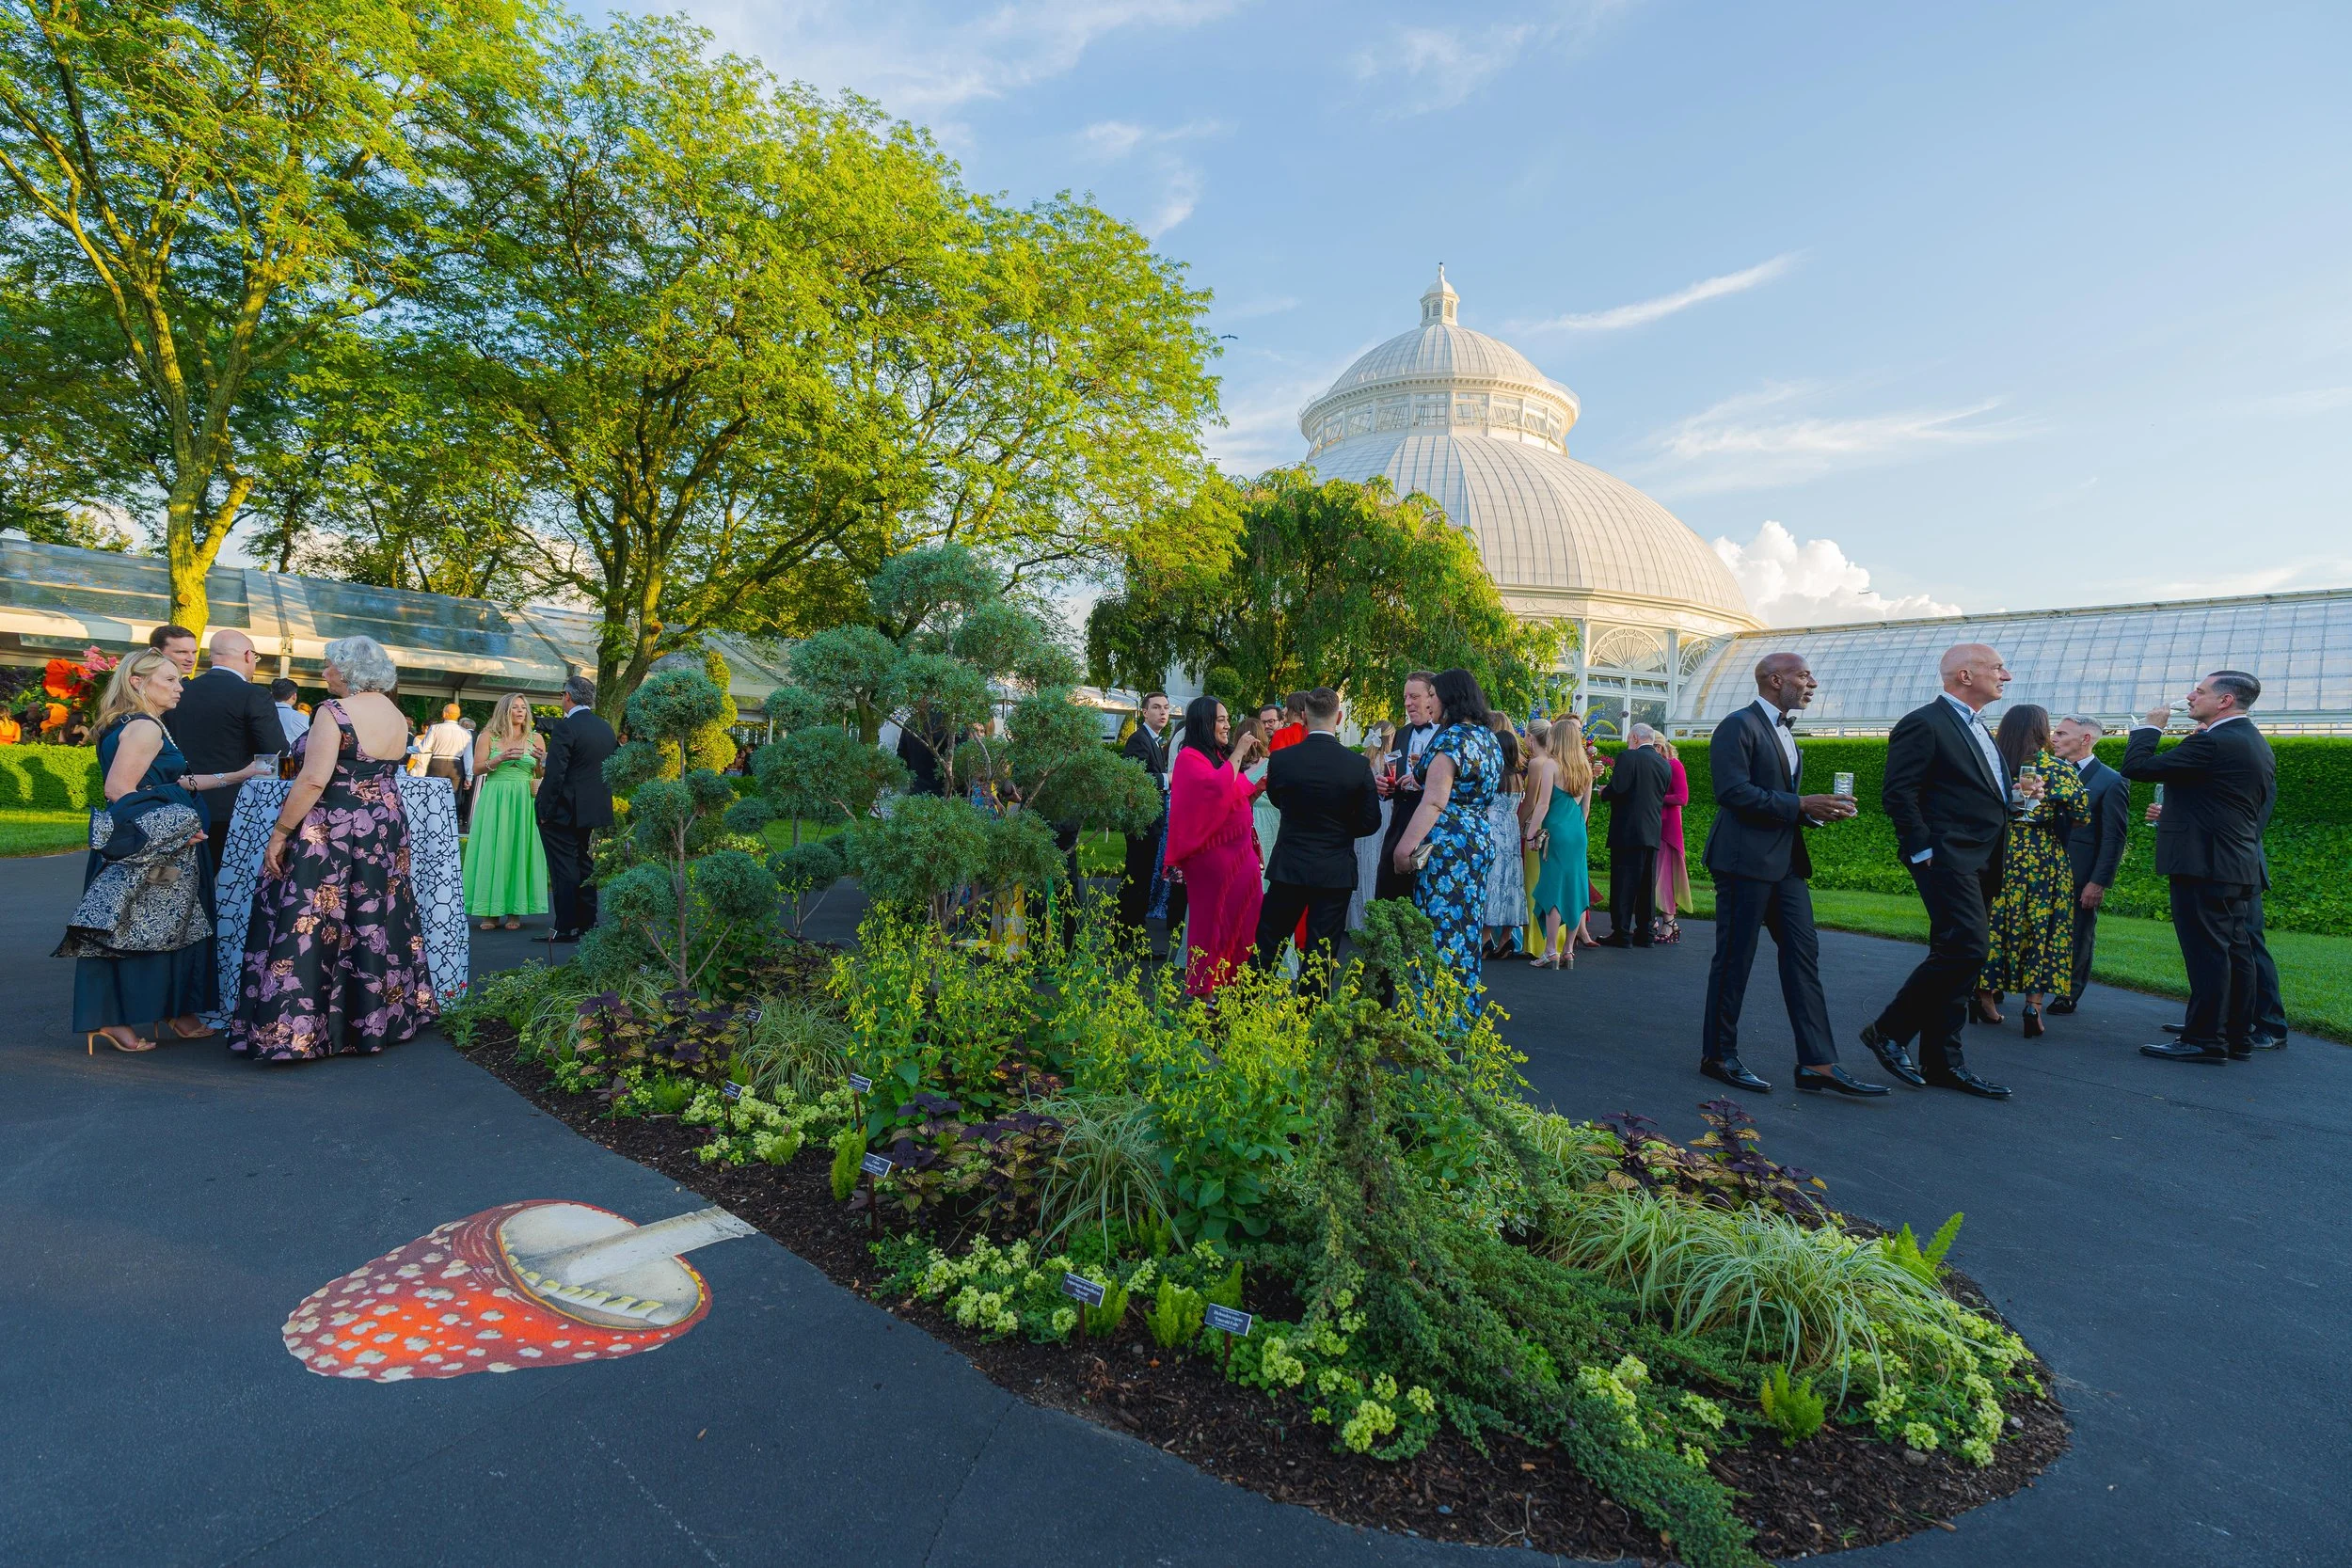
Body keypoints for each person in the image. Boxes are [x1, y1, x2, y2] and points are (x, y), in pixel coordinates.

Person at [231, 635, 439, 1062]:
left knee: (310, 918)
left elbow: (312, 780)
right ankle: (372, 1022)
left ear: (345, 671)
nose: (323, 672)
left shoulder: (334, 712)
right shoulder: (396, 715)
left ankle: (297, 1031)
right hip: (383, 824)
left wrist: (280, 833)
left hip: (334, 826)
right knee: (374, 915)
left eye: (327, 665)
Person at [1696, 653, 1881, 1095]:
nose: (1812, 682)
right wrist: (1801, 805)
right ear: (1776, 680)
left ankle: (1817, 1063)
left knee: (1803, 954)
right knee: (1735, 958)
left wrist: (1817, 815)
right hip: (1742, 863)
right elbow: (1733, 792)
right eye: (1804, 675)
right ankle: (1718, 1056)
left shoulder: (1785, 732)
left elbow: (1778, 799)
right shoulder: (1737, 725)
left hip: (1785, 864)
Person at [1858, 643, 2034, 1100]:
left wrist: (2016, 799)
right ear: (1964, 675)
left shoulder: (1980, 727)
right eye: (1998, 668)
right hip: (1946, 858)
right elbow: (1899, 793)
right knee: (1969, 948)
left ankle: (1944, 1064)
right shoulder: (1925, 722)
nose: (2007, 676)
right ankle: (1889, 1030)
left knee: (1955, 954)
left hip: (1984, 857)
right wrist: (1921, 850)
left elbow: (1977, 795)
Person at [58, 648, 239, 1053]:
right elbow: (119, 790)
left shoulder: (137, 723)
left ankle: (173, 1010)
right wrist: (173, 831)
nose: (180, 687)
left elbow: (167, 784)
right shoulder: (144, 727)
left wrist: (237, 775)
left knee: (172, 925)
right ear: (138, 682)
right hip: (150, 848)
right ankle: (111, 1020)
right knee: (132, 929)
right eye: (170, 680)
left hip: (153, 846)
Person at [2120, 671, 2275, 1063]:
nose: (2190, 696)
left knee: (2208, 954)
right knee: (2235, 953)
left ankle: (2204, 1039)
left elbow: (2137, 767)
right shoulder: (2252, 741)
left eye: (2200, 691)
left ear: (2224, 701)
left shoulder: (2214, 742)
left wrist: (2148, 729)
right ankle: (2235, 1035)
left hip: (2204, 865)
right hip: (2236, 862)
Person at [1390, 668, 1505, 1006]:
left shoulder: (1451, 739)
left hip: (1448, 844)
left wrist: (1403, 849)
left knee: (1438, 929)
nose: (1430, 702)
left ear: (1450, 697)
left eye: (1435, 695)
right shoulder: (1488, 738)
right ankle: (1459, 1012)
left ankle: (1434, 1014)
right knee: (1466, 931)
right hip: (1478, 837)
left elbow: (1436, 801)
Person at [1252, 688, 1379, 989]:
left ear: (1304, 716)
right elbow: (1371, 821)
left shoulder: (1282, 760)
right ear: (1339, 717)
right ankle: (1310, 1018)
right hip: (1334, 868)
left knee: (1268, 943)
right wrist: (1341, 828)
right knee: (1321, 953)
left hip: (1290, 864)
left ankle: (1247, 1007)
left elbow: (1277, 799)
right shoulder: (1357, 765)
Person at [1975, 705, 2087, 1037]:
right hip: (2044, 860)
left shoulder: (1992, 764)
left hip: (1999, 854)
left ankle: (1983, 998)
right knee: (2043, 929)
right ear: (2041, 730)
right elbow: (2082, 816)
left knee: (1992, 924)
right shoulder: (2059, 769)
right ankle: (2033, 1006)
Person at [1166, 696, 1265, 999]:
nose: (1227, 725)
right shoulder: (1189, 758)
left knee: (1246, 918)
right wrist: (1239, 752)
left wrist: (1259, 785)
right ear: (1204, 723)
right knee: (1212, 923)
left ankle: (1233, 983)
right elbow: (1217, 790)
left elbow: (1237, 793)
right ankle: (1204, 990)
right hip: (1213, 858)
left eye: (1226, 719)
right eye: (1221, 720)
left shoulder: (1217, 758)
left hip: (1239, 855)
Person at [171, 627, 284, 872]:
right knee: (227, 887)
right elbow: (275, 753)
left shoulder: (180, 691)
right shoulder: (254, 694)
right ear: (247, 655)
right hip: (235, 806)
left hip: (180, 799)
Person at [2047, 716, 2128, 1015]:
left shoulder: (2111, 781)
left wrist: (2099, 881)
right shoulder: (2045, 772)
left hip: (2081, 875)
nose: (2053, 738)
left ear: (2085, 739)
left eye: (2061, 733)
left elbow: (2113, 839)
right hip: (2041, 867)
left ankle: (2067, 992)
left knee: (2078, 933)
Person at [539, 675, 617, 942]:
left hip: (564, 809)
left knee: (564, 867)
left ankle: (565, 925)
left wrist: (544, 809)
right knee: (584, 862)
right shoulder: (605, 728)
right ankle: (587, 921)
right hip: (592, 808)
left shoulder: (566, 727)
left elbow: (556, 773)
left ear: (568, 697)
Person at [465, 693, 550, 932]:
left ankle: (515, 910)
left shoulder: (536, 738)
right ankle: (489, 911)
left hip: (524, 798)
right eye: (515, 707)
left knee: (518, 848)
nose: (520, 711)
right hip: (496, 797)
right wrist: (501, 758)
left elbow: (541, 775)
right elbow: (477, 768)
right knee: (494, 848)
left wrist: (542, 763)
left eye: (524, 708)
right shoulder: (488, 737)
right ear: (505, 710)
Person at [1521, 717, 1592, 969]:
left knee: (1553, 889)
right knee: (1575, 887)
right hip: (1577, 832)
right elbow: (1586, 809)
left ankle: (1550, 950)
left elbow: (1542, 804)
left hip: (1555, 831)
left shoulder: (1552, 765)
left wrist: (1531, 833)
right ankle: (1569, 950)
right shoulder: (1585, 766)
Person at [1597, 722, 1670, 947]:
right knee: (1647, 885)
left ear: (1636, 739)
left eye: (1630, 738)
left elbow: (1618, 788)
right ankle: (1645, 932)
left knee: (1624, 883)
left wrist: (1603, 792)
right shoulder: (1664, 764)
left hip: (1627, 830)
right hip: (1652, 830)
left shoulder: (1628, 757)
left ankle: (1621, 932)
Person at [1118, 693, 1182, 935]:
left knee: (1141, 881)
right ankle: (1127, 937)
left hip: (1149, 821)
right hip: (1141, 823)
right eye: (1156, 708)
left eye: (1165, 708)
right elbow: (1131, 778)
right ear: (1145, 712)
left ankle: (1132, 934)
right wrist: (1168, 779)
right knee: (1136, 881)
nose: (1162, 712)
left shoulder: (1152, 740)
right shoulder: (1139, 740)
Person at [1374, 673, 1439, 903]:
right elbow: (1391, 772)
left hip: (1434, 829)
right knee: (1389, 894)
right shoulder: (1401, 734)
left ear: (1432, 697)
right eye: (1405, 697)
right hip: (1400, 825)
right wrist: (1385, 787)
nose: (1407, 703)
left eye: (1414, 696)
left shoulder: (1448, 734)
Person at [1482, 713, 1526, 958]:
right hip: (1511, 829)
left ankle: (1486, 937)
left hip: (1493, 828)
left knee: (1492, 881)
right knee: (1511, 882)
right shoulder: (1518, 777)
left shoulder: (1495, 776)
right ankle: (1507, 937)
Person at [1652, 735, 1692, 943]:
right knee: (1655, 874)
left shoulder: (1674, 765)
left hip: (1668, 826)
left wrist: (1655, 797)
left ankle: (1669, 923)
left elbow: (1682, 797)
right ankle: (1660, 922)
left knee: (1664, 874)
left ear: (1659, 746)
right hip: (1655, 825)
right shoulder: (1658, 764)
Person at [421, 701, 472, 805]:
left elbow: (423, 748)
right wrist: (469, 777)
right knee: (452, 800)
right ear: (458, 715)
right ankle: (451, 820)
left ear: (444, 714)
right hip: (456, 765)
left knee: (433, 797)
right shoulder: (466, 732)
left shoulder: (435, 728)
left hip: (437, 763)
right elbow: (468, 757)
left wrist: (408, 749)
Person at [270, 678, 310, 752]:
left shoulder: (258, 715)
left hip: (261, 760)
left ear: (271, 695)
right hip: (291, 761)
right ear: (294, 696)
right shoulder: (304, 719)